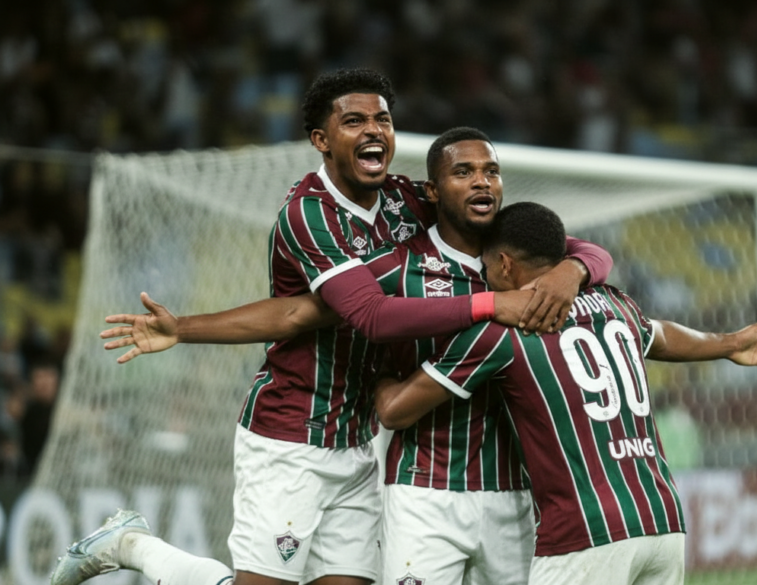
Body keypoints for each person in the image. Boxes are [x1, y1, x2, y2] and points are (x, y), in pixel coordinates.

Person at [51, 71, 610, 585]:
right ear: (321, 140)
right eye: (354, 121)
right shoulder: (309, 213)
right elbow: (368, 316)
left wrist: (572, 268)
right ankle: (131, 545)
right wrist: (490, 305)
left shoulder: (403, 199)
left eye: (383, 119)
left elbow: (303, 310)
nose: (374, 131)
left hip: (359, 439)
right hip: (292, 433)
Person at [374, 201, 757, 585]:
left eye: (485, 266)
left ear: (504, 264)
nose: (482, 276)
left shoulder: (504, 332)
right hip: (663, 520)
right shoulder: (617, 303)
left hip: (585, 532)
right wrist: (726, 343)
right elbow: (662, 335)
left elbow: (394, 411)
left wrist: (372, 354)